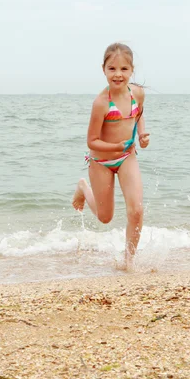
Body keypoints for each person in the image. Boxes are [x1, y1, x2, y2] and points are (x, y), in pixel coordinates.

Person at [72, 43, 150, 271]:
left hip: (127, 157)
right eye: (112, 68)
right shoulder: (101, 103)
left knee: (136, 210)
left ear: (132, 70)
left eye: (124, 69)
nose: (118, 74)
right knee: (105, 218)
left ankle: (128, 261)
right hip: (101, 162)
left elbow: (139, 113)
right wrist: (115, 145)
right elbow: (92, 141)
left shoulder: (137, 93)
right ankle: (83, 188)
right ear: (103, 69)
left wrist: (142, 134)